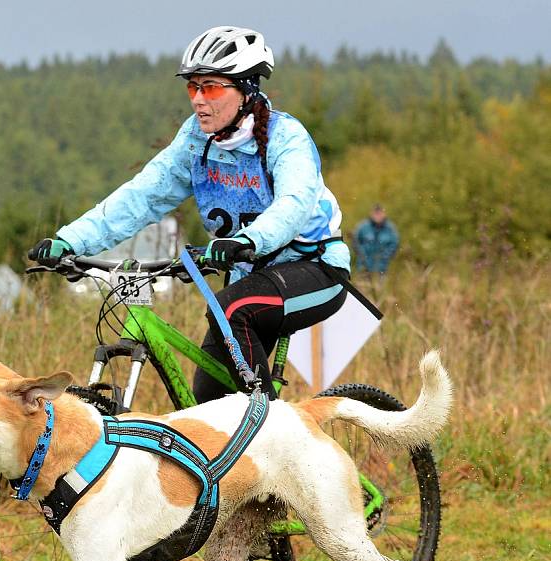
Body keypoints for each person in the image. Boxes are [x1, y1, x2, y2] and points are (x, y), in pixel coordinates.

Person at [29, 26, 352, 401]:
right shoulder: (195, 141)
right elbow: (142, 196)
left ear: (247, 90)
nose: (199, 100)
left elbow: (293, 204)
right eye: (192, 87)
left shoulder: (286, 137)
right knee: (207, 403)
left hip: (315, 268)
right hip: (249, 277)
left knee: (232, 310)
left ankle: (272, 435)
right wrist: (71, 239)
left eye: (211, 87)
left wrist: (248, 240)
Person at [353, 204, 400, 280]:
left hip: (383, 269)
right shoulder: (362, 227)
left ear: (384, 214)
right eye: (376, 213)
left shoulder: (391, 229)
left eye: (380, 213)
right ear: (371, 214)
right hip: (364, 269)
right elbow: (355, 242)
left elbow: (395, 244)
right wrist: (363, 256)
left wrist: (385, 256)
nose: (378, 216)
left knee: (381, 290)